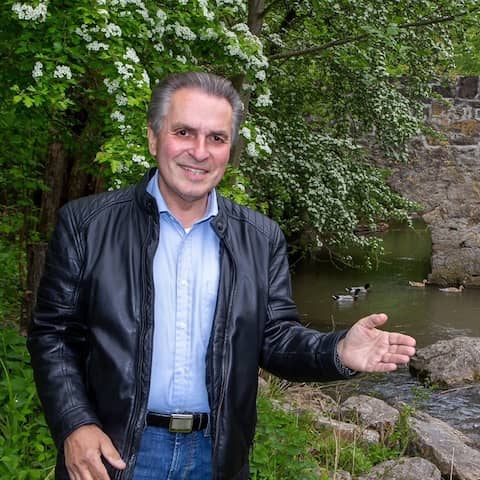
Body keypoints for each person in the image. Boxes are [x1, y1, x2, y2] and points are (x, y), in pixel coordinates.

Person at [28, 71, 416, 480]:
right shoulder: (87, 224)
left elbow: (275, 337)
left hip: (215, 456)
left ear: (230, 150)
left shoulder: (260, 237)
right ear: (153, 138)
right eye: (184, 132)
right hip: (115, 452)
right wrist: (75, 422)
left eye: (216, 138)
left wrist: (337, 352)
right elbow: (53, 335)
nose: (199, 151)